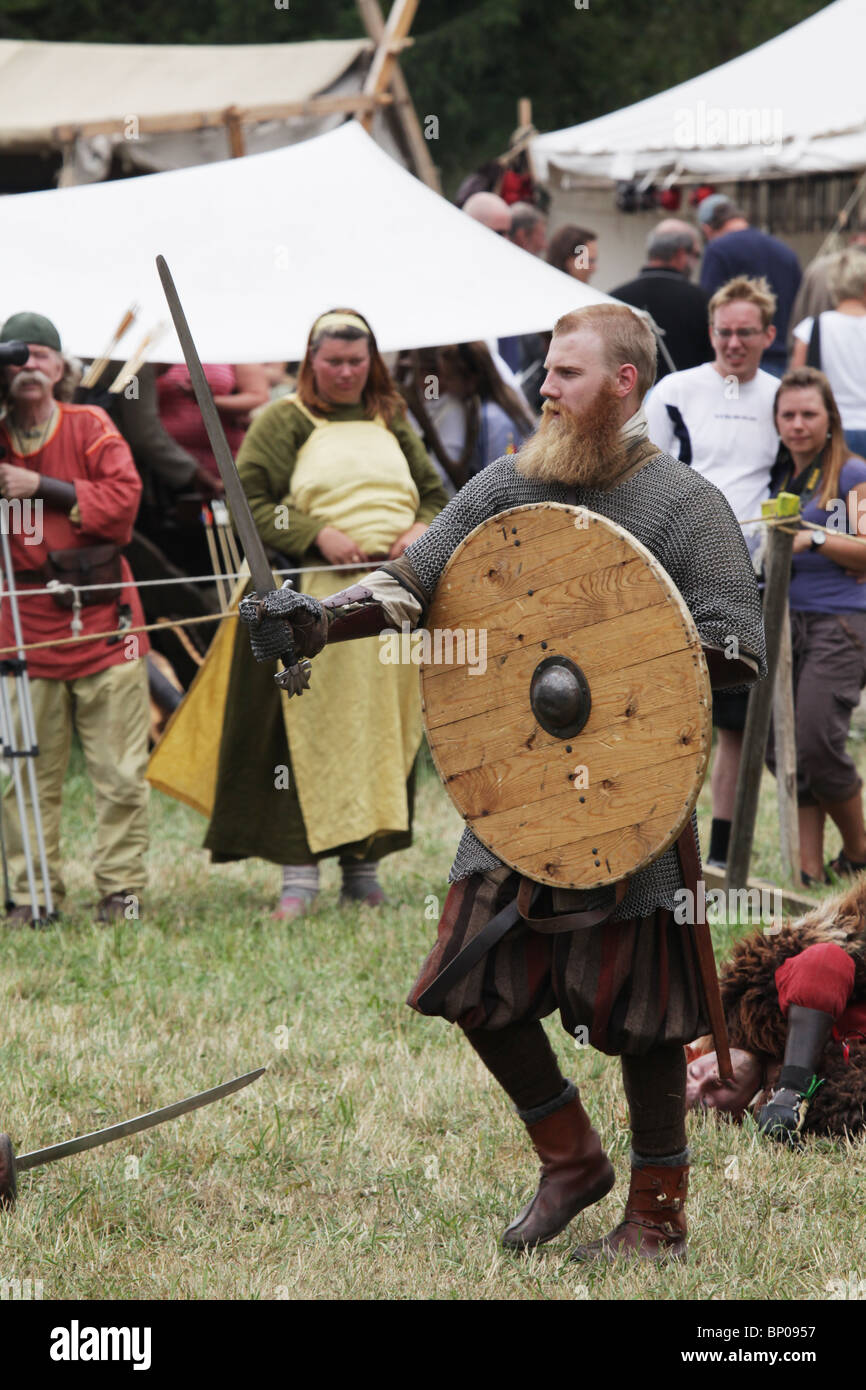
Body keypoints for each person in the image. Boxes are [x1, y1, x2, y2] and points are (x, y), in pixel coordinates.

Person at [239, 303, 766, 1261]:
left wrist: (637, 651)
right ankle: (568, 1155)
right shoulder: (505, 484)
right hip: (518, 785)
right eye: (546, 373)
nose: (545, 390)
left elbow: (737, 645)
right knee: (466, 977)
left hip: (627, 789)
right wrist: (321, 620)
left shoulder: (684, 505)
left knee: (646, 1018)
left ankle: (658, 1214)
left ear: (623, 385)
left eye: (566, 374)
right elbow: (412, 582)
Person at [160, 309, 448, 920]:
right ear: (311, 360)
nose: (345, 373)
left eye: (356, 361)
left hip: (383, 606)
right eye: (333, 361)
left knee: (376, 732)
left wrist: (421, 528)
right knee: (304, 736)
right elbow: (250, 499)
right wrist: (318, 534)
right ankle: (299, 876)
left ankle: (363, 868)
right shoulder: (283, 420)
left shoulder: (391, 418)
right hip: (305, 608)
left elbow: (436, 493)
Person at [0, 312, 150, 924]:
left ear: (62, 368)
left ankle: (121, 892)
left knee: (119, 772)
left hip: (104, 618)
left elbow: (123, 503)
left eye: (42, 356)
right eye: (18, 359)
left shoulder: (90, 424)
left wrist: (40, 485)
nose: (31, 367)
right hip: (22, 624)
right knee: (22, 775)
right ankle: (32, 895)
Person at [645, 276, 780, 870]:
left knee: (734, 722)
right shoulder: (676, 389)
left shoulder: (780, 397)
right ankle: (656, 839)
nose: (733, 342)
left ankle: (721, 855)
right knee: (665, 715)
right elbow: (648, 473)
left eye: (745, 332)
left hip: (754, 579)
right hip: (678, 571)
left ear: (767, 335)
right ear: (710, 333)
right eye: (723, 331)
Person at [766, 367, 866, 884]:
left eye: (809, 413)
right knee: (781, 746)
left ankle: (858, 852)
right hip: (785, 622)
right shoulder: (782, 478)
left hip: (840, 624)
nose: (798, 424)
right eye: (788, 414)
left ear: (831, 420)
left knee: (816, 740)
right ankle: (807, 872)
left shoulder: (853, 474)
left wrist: (818, 540)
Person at [686, 874, 866, 1140]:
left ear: (695, 1055)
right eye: (706, 1101)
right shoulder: (832, 1102)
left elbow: (825, 964)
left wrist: (791, 1088)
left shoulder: (757, 998)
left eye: (695, 1074)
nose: (711, 1079)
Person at [402, 342, 536, 492]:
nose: (444, 383)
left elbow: (496, 477)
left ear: (470, 379)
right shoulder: (483, 408)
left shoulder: (491, 418)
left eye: (448, 378)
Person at [698, 194, 801, 377]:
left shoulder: (717, 250)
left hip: (735, 362)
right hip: (781, 361)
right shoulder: (785, 252)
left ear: (707, 230)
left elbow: (708, 307)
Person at [610, 219, 712, 378]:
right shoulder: (703, 301)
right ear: (681, 253)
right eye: (696, 255)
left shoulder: (613, 300)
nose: (696, 262)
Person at [790, 247, 866, 456]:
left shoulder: (812, 328)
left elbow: (797, 383)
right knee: (861, 489)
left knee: (845, 487)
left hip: (834, 432)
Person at [157, 362, 269, 480]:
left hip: (225, 458)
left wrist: (210, 401)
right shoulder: (157, 350)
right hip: (166, 461)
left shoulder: (236, 349)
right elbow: (137, 393)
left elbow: (258, 396)